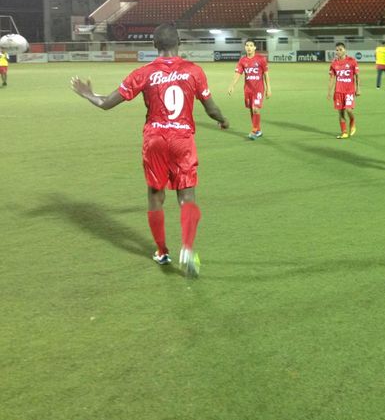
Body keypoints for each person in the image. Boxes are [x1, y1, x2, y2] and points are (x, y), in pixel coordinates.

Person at [69, 23, 229, 277]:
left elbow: (106, 103)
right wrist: (222, 120)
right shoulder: (194, 71)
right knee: (187, 196)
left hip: (155, 140)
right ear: (179, 43)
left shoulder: (143, 73)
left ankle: (162, 251)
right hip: (182, 139)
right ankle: (187, 248)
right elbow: (211, 108)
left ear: (154, 45)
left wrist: (88, 93)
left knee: (155, 196)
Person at [227, 39, 271, 139]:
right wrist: (232, 85)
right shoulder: (242, 60)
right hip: (248, 89)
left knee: (255, 108)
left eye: (251, 45)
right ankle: (258, 130)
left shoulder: (261, 59)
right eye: (247, 45)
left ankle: (254, 131)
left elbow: (266, 74)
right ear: (245, 47)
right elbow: (238, 74)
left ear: (255, 47)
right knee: (251, 109)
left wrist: (268, 88)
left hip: (258, 89)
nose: (249, 47)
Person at [327, 42, 360, 138]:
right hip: (338, 91)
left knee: (349, 110)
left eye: (340, 49)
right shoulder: (334, 63)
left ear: (345, 50)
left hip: (349, 91)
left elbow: (357, 76)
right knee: (341, 112)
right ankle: (344, 132)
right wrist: (329, 92)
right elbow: (332, 78)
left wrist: (358, 89)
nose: (338, 51)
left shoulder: (352, 61)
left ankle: (352, 121)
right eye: (337, 50)